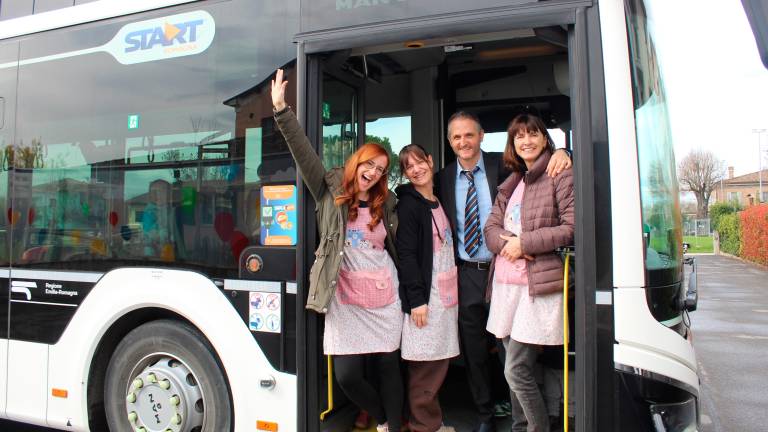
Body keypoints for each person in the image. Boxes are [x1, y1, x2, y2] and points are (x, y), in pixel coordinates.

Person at [271, 69, 403, 432]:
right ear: (356, 162)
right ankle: (382, 417)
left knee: (390, 368)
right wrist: (282, 110)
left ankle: (392, 426)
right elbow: (302, 151)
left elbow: (400, 245)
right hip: (343, 298)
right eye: (369, 165)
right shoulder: (329, 188)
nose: (374, 173)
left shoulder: (387, 202)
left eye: (381, 169)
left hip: (384, 297)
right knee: (347, 376)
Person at [436, 111, 570, 432]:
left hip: (506, 272)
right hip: (468, 272)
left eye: (469, 135)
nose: (463, 142)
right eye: (456, 137)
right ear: (450, 142)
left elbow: (546, 162)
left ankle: (515, 412)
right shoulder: (442, 178)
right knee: (475, 349)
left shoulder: (506, 166)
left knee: (509, 356)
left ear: (482, 135)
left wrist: (566, 151)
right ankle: (484, 415)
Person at [484, 113, 575, 432]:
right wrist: (504, 242)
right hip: (506, 286)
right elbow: (490, 228)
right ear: (512, 144)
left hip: (535, 286)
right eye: (519, 136)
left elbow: (571, 228)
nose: (526, 141)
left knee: (516, 371)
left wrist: (525, 244)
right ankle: (519, 426)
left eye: (533, 134)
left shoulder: (559, 172)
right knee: (514, 368)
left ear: (544, 138)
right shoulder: (512, 181)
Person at [395, 144, 460, 432]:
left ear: (430, 161)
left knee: (438, 362)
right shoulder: (409, 205)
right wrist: (417, 300)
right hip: (426, 298)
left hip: (446, 295)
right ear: (405, 174)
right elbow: (407, 256)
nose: (417, 169)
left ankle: (429, 423)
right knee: (425, 366)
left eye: (420, 162)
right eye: (409, 167)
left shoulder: (438, 198)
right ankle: (424, 426)